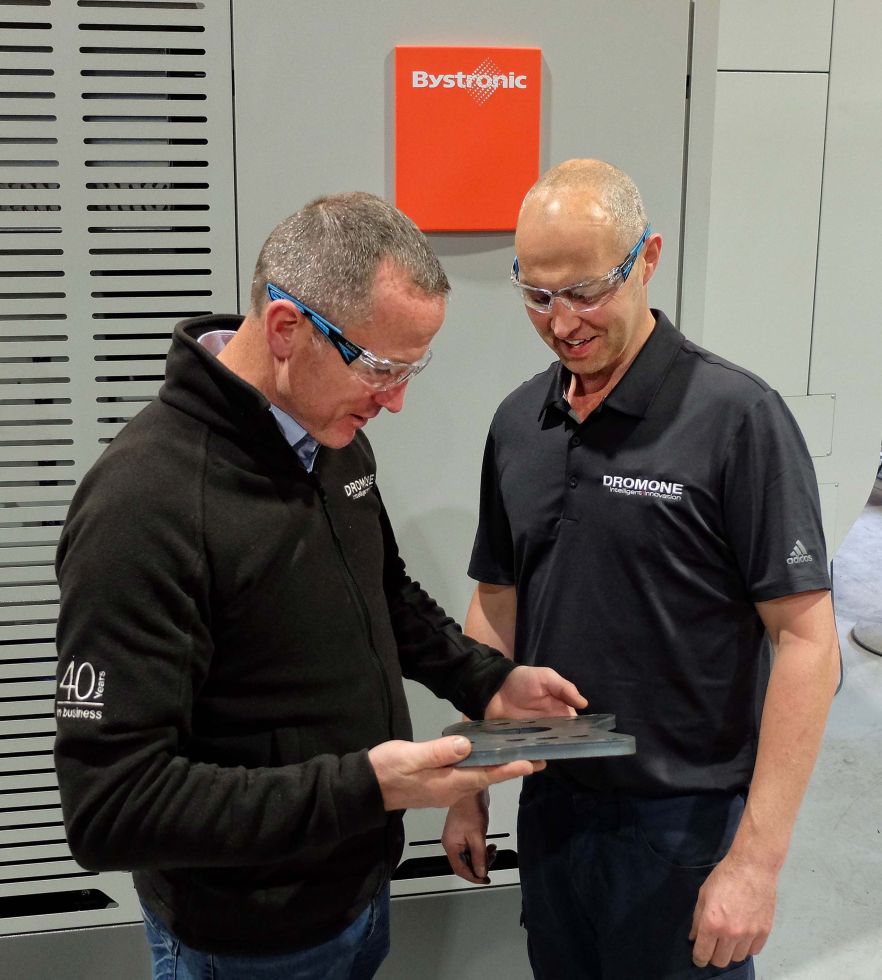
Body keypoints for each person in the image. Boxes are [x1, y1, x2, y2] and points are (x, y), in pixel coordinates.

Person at [53, 191, 587, 980]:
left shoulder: (329, 435)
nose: (397, 399)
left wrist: (491, 680)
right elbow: (111, 810)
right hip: (244, 937)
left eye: (411, 368)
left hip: (355, 891)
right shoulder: (144, 505)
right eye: (380, 368)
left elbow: (383, 591)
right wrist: (364, 786)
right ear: (284, 330)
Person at [441, 160, 841, 979]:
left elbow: (806, 644)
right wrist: (470, 778)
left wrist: (755, 863)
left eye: (587, 290)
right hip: (554, 809)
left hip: (684, 828)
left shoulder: (737, 418)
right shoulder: (521, 421)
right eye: (538, 295)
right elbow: (496, 598)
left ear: (647, 259)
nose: (563, 322)